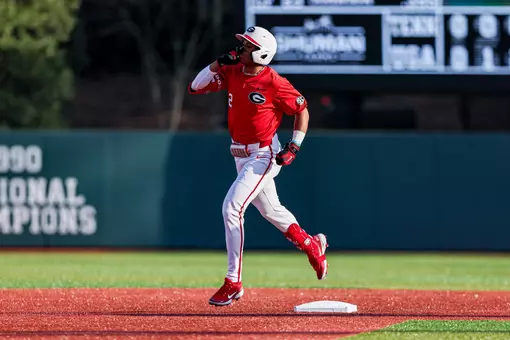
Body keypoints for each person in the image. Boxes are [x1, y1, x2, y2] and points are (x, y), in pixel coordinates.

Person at [188, 26, 328, 307]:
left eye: (247, 46)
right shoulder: (232, 71)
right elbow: (195, 86)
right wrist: (217, 63)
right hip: (240, 155)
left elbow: (302, 109)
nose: (241, 48)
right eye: (242, 44)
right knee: (272, 211)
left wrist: (294, 146)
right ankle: (311, 245)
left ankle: (233, 282)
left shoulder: (274, 82)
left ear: (261, 53)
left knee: (232, 208)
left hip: (263, 154)